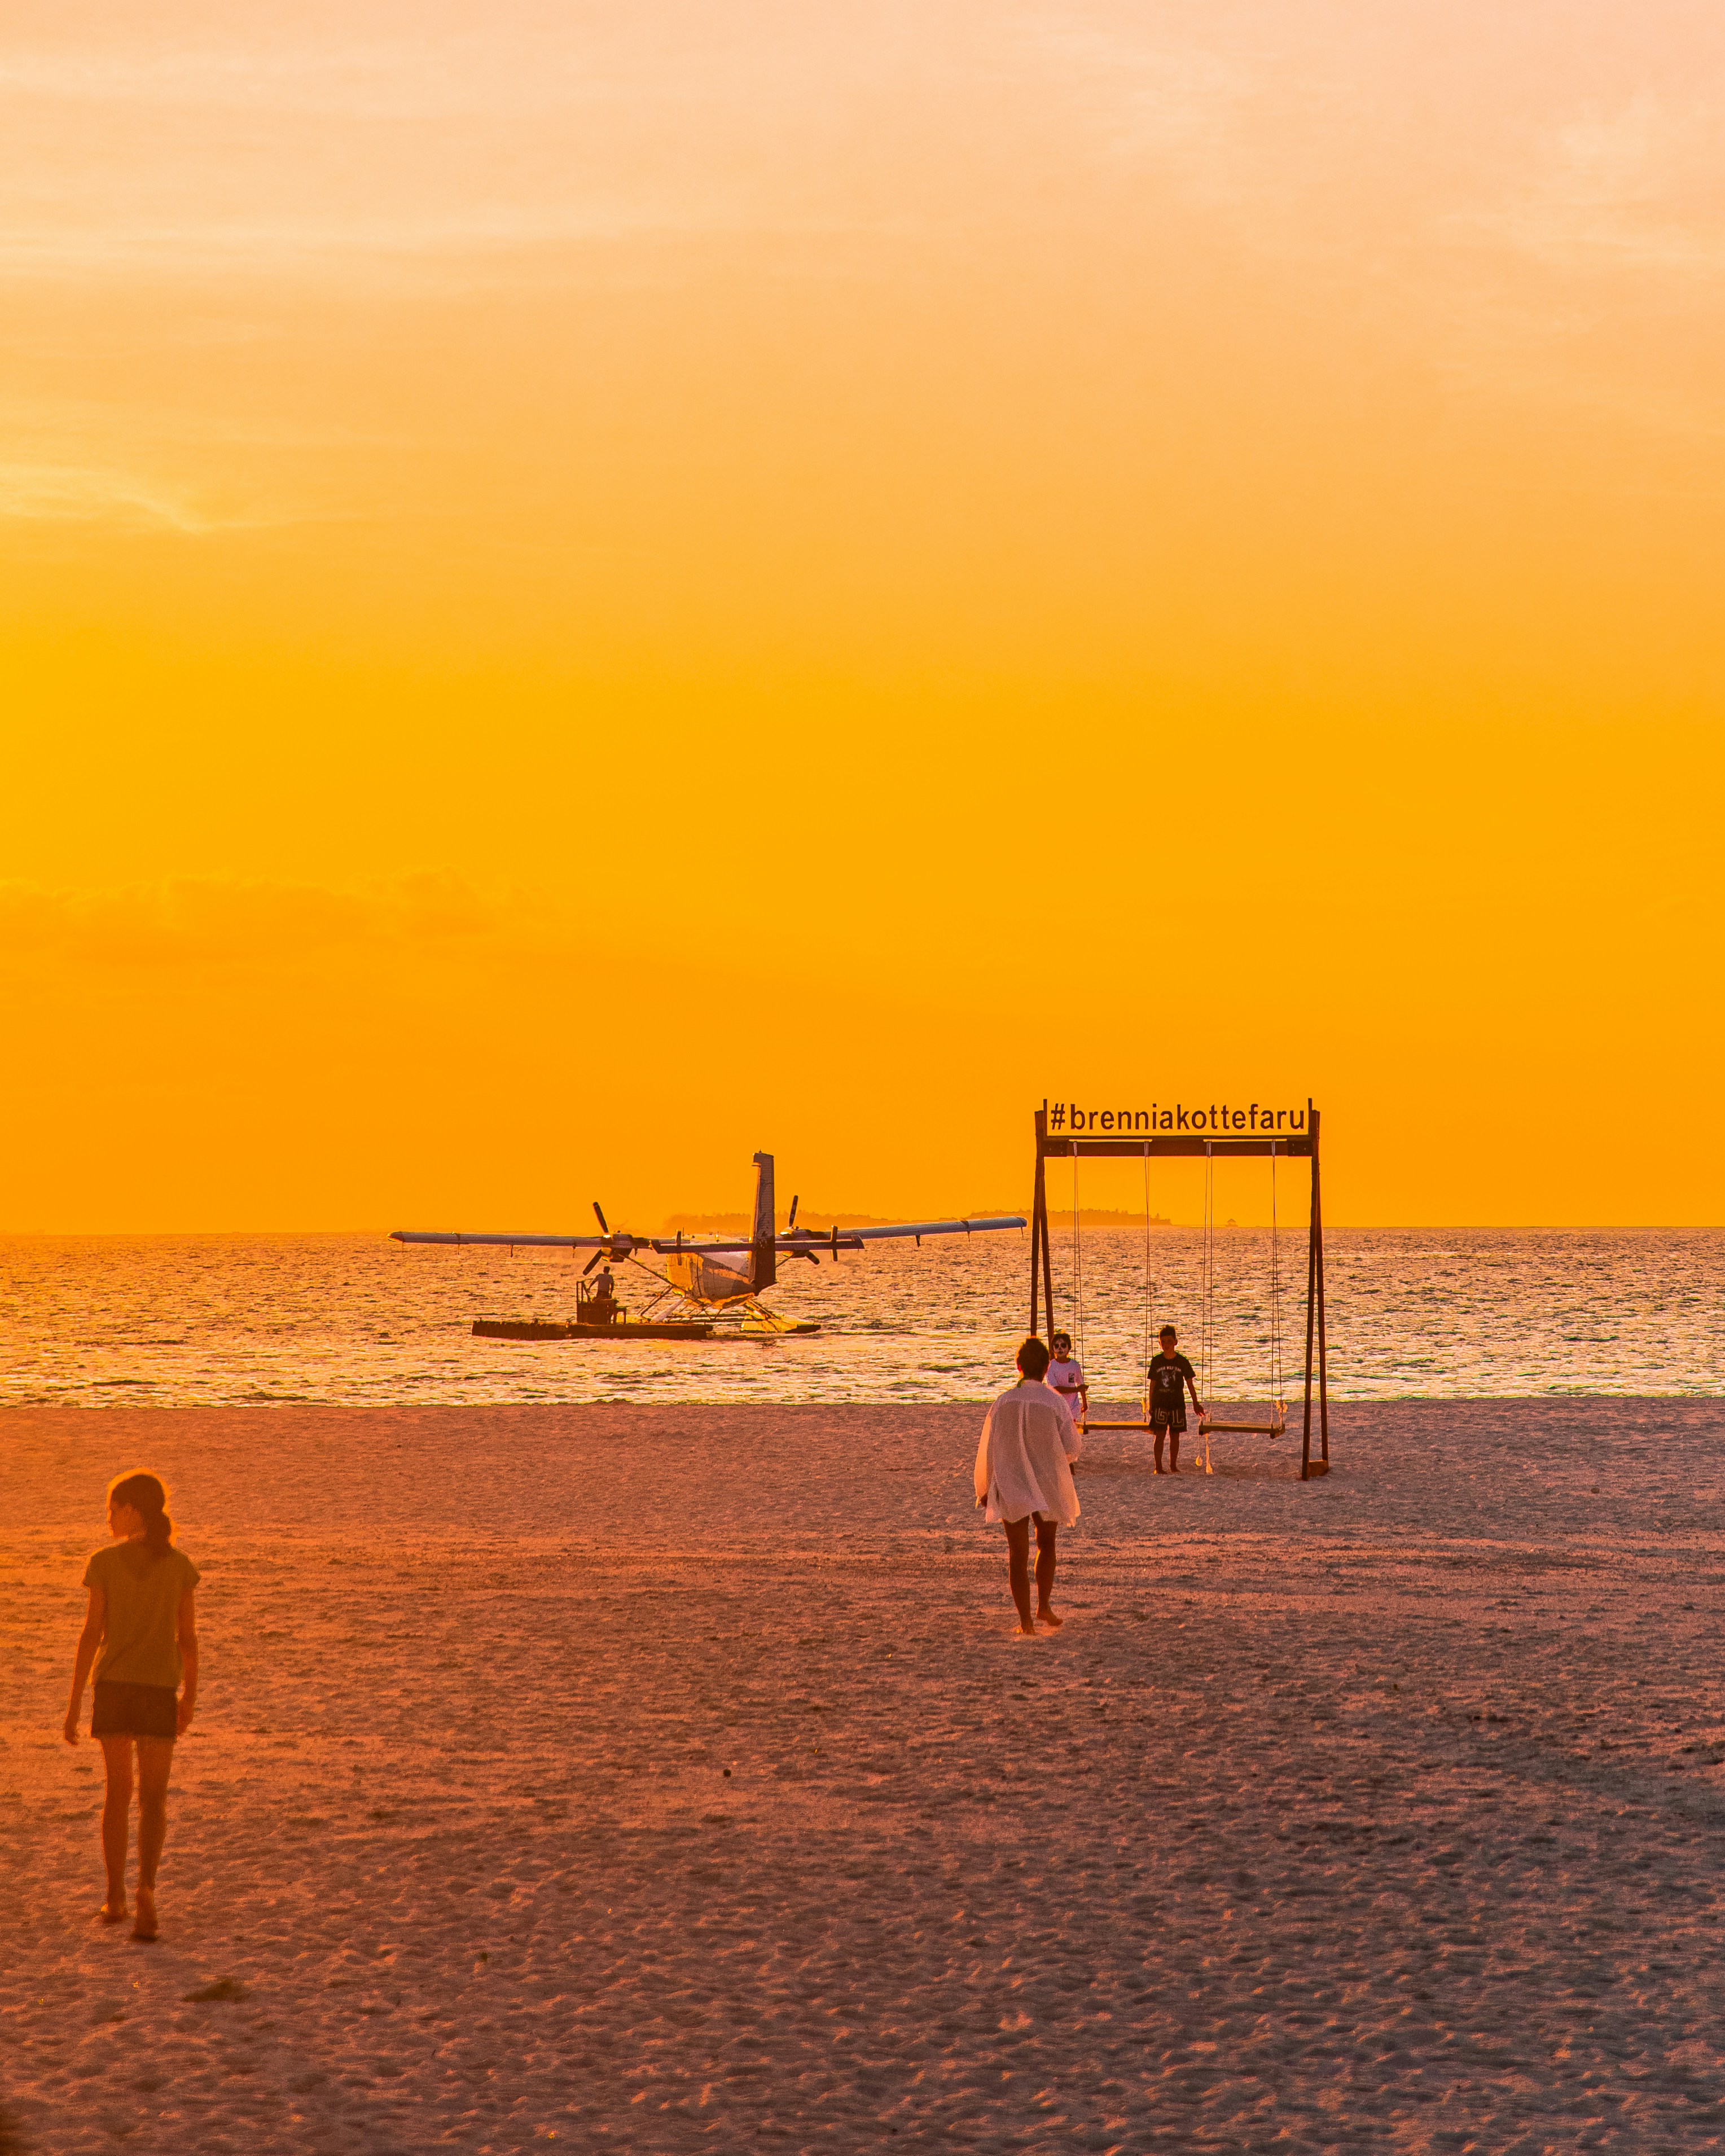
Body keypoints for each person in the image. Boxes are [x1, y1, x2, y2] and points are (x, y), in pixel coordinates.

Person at [63, 1473, 200, 1942]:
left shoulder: (102, 1563)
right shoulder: (180, 1566)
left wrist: (75, 1700)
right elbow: (188, 1641)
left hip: (115, 1689)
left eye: (113, 1508)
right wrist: (190, 1698)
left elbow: (90, 1636)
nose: (107, 1517)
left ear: (133, 1511)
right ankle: (147, 1886)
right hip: (159, 1690)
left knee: (118, 1793)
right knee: (155, 1797)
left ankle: (116, 1895)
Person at [974, 1337, 1082, 1637]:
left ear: (1018, 1366)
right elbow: (1073, 1446)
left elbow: (989, 1448)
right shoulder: (1055, 1402)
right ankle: (1043, 1605)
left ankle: (1027, 1621)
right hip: (1046, 1478)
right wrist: (1060, 1457)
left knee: (1017, 1554)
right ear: (1047, 1367)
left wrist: (985, 1487)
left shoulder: (1003, 1401)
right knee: (1047, 1544)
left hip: (1011, 1479)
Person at [1148, 1325, 1204, 1475]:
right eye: (1163, 1342)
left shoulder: (1182, 1361)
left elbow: (1190, 1383)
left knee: (1175, 1436)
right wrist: (1151, 1404)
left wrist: (1196, 1403)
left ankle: (1173, 1465)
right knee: (1160, 1435)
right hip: (1160, 1403)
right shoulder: (1157, 1361)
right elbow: (1152, 1385)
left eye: (1169, 1341)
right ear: (1160, 1344)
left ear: (1176, 1342)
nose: (1166, 1345)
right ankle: (1158, 1467)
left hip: (1177, 1403)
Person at [1046, 1332, 1089, 1432]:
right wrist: (1076, 1389)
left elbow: (1080, 1383)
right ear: (1053, 1349)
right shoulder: (1051, 1366)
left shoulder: (1074, 1365)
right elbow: (1056, 1389)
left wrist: (1085, 1402)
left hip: (1072, 1404)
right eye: (1057, 1346)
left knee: (1069, 1430)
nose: (1060, 1349)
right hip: (1056, 1405)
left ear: (1069, 1348)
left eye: (1063, 1345)